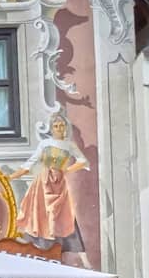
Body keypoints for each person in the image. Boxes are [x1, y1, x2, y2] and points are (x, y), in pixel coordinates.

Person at [11, 112, 91, 267]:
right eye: (56, 126)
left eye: (61, 125)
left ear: (65, 127)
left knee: (65, 218)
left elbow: (83, 161)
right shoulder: (45, 143)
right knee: (38, 215)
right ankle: (38, 253)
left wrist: (66, 171)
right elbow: (30, 163)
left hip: (59, 184)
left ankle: (80, 257)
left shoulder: (70, 145)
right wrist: (12, 177)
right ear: (52, 128)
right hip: (43, 183)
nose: (59, 128)